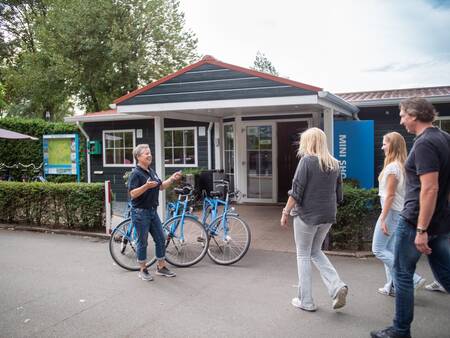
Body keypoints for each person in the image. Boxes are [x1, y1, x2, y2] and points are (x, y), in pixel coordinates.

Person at [371, 97, 450, 338]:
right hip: (440, 221)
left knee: (402, 273)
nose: (401, 120)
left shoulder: (425, 143)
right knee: (445, 274)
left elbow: (430, 188)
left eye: (403, 115)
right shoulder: (445, 138)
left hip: (416, 221)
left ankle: (400, 330)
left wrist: (420, 229)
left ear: (414, 115)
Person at [281, 127, 347, 312]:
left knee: (303, 255)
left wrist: (286, 212)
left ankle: (307, 301)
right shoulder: (334, 163)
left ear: (307, 142)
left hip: (307, 215)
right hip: (327, 215)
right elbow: (339, 194)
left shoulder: (306, 161)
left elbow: (296, 191)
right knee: (315, 251)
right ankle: (336, 285)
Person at [372, 132, 426, 297]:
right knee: (390, 249)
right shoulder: (403, 166)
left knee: (378, 249)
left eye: (384, 144)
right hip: (398, 213)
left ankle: (413, 279)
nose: (382, 147)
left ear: (393, 145)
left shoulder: (393, 168)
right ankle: (393, 287)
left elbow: (390, 195)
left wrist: (383, 218)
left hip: (391, 213)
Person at [128, 144, 182, 281]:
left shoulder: (151, 171)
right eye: (146, 153)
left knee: (161, 238)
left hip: (152, 211)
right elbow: (132, 194)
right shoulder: (136, 173)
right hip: (140, 213)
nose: (149, 155)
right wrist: (145, 186)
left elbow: (161, 186)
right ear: (138, 157)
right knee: (143, 242)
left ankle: (161, 267)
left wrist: (172, 178)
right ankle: (143, 270)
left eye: (150, 152)